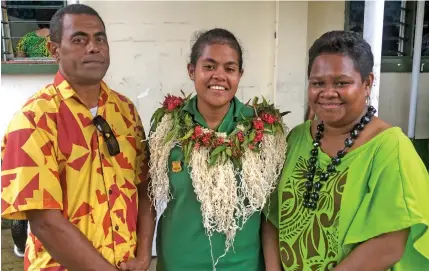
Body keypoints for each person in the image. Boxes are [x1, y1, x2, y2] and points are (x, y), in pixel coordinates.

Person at [1, 4, 155, 271]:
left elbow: (145, 189)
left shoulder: (125, 111)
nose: (93, 47)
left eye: (100, 39)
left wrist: (143, 257)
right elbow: (45, 222)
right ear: (54, 50)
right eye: (79, 39)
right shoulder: (34, 120)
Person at [264, 30, 429, 271]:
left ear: (367, 83)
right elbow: (272, 215)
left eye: (342, 83)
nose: (328, 92)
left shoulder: (389, 147)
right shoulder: (298, 137)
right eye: (317, 83)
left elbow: (389, 243)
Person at [148, 28, 288, 271]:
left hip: (242, 264)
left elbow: (271, 213)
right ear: (192, 70)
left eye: (229, 69)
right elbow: (146, 195)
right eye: (209, 66)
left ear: (240, 75)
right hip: (179, 263)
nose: (219, 76)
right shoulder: (167, 127)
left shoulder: (264, 130)